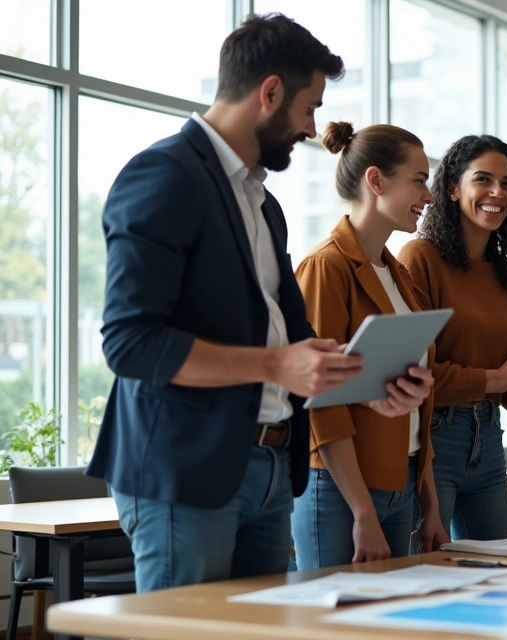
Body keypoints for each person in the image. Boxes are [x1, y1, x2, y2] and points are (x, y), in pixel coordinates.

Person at [88, 14, 397, 592]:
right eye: (308, 109)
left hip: (271, 470)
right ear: (269, 92)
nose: (311, 130)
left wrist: (369, 383)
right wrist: (276, 365)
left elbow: (295, 347)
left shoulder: (264, 203)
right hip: (185, 472)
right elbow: (130, 343)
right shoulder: (163, 176)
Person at [290, 122, 450, 569]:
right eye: (419, 181)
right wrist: (363, 512)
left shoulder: (397, 275)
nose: (429, 197)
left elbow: (418, 398)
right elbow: (320, 400)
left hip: (400, 485)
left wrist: (429, 501)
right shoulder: (326, 267)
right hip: (343, 492)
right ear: (376, 180)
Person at [398, 135, 507, 540]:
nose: (498, 193)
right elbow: (415, 373)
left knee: (499, 574)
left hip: (489, 438)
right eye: (484, 180)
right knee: (432, 576)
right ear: (453, 189)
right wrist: (496, 378)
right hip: (435, 439)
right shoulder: (419, 258)